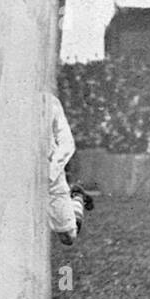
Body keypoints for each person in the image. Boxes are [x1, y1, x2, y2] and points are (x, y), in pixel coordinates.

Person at [48, 94, 92, 246]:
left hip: (49, 176)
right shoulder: (7, 103)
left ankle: (77, 198)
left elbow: (67, 143)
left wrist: (50, 173)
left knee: (68, 236)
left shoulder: (49, 103)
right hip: (20, 175)